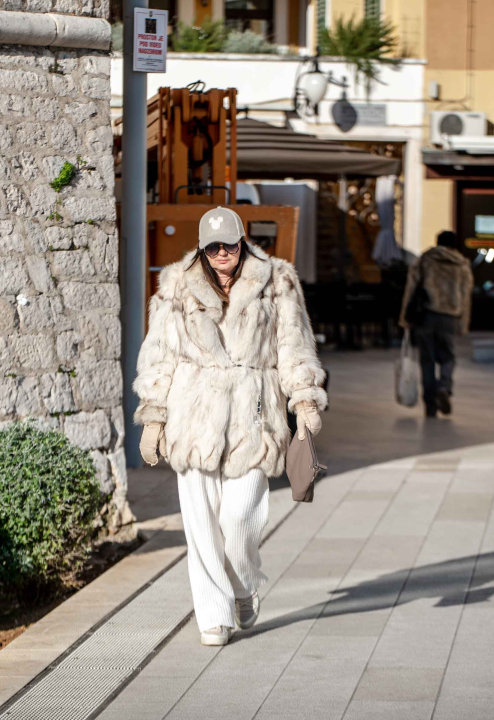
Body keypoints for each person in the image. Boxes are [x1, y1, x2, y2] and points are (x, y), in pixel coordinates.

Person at [133, 206, 327, 647]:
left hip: (254, 417)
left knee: (239, 519)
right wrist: (153, 416)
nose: (223, 253)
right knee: (201, 525)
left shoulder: (277, 282)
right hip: (193, 416)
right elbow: (159, 353)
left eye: (231, 244)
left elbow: (293, 346)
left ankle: (243, 585)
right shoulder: (177, 286)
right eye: (214, 246)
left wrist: (304, 399)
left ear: (243, 241)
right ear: (202, 248)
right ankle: (213, 618)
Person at [398, 230, 474, 418]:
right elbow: (466, 296)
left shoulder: (425, 260)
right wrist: (464, 323)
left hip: (426, 316)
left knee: (427, 361)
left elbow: (411, 288)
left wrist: (404, 318)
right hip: (450, 318)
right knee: (448, 357)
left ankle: (430, 406)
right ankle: (444, 387)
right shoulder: (462, 265)